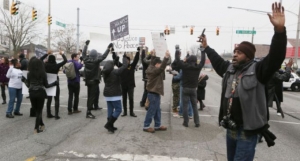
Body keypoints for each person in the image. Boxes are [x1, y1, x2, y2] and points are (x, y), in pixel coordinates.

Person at [199, 2, 286, 160]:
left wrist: (279, 31)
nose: (235, 54)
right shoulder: (230, 69)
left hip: (247, 132)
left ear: (248, 55)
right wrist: (206, 47)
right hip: (230, 129)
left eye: (239, 52)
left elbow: (276, 57)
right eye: (234, 52)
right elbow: (218, 62)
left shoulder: (259, 70)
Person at [172, 47, 206, 128]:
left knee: (185, 105)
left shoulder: (184, 66)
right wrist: (203, 51)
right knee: (194, 106)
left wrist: (177, 51)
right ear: (195, 61)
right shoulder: (198, 67)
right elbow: (203, 61)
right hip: (194, 89)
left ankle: (186, 122)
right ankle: (197, 122)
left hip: (185, 88)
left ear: (188, 60)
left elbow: (177, 60)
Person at [23, 57, 57, 133]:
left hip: (32, 92)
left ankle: (41, 124)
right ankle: (36, 128)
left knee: (36, 109)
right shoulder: (43, 73)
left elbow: (28, 85)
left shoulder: (29, 73)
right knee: (39, 111)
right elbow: (47, 85)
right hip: (40, 92)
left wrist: (24, 80)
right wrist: (55, 83)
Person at [82, 40, 112, 119]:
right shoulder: (95, 61)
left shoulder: (85, 60)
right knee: (92, 96)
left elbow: (83, 54)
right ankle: (88, 112)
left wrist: (86, 45)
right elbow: (104, 56)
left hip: (88, 81)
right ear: (95, 55)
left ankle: (90, 109)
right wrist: (108, 49)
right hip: (94, 81)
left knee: (90, 96)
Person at [143, 50, 170, 133]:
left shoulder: (151, 67)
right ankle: (146, 126)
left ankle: (157, 125)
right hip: (153, 93)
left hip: (155, 93)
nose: (160, 65)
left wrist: (153, 56)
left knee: (157, 110)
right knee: (152, 110)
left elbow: (152, 63)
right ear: (157, 65)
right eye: (159, 64)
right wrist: (166, 58)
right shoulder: (154, 70)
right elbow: (162, 68)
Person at [103, 52, 128, 133]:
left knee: (110, 109)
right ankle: (109, 124)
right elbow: (124, 66)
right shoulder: (115, 72)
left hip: (107, 94)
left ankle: (111, 126)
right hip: (115, 94)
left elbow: (111, 64)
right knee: (118, 109)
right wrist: (124, 57)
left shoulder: (105, 72)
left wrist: (116, 59)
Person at [112, 48, 140, 117]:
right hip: (123, 85)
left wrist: (138, 52)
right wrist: (113, 52)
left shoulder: (132, 66)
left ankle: (131, 112)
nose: (126, 61)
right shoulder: (121, 66)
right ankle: (125, 112)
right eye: (125, 60)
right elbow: (116, 61)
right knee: (124, 98)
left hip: (130, 86)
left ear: (129, 61)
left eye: (127, 60)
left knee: (131, 98)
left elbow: (136, 59)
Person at [40, 50, 67, 120]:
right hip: (55, 81)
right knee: (56, 99)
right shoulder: (56, 65)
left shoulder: (45, 65)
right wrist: (62, 54)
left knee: (49, 99)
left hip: (48, 82)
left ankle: (48, 113)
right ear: (54, 59)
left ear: (48, 59)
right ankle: (56, 114)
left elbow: (40, 59)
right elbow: (65, 61)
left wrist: (46, 54)